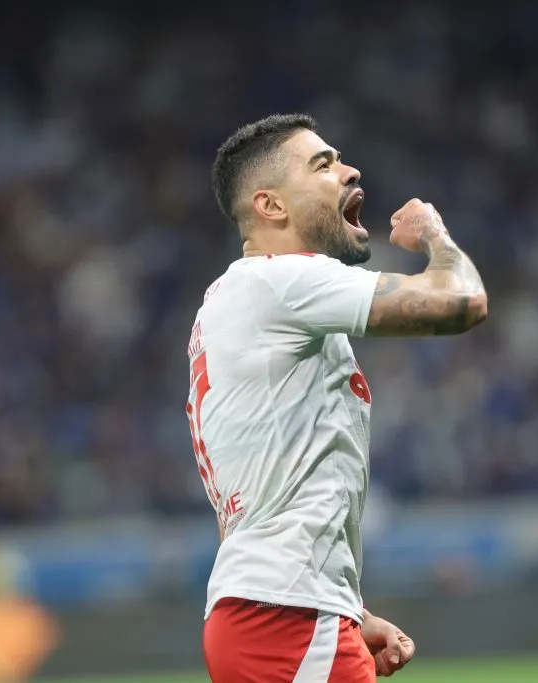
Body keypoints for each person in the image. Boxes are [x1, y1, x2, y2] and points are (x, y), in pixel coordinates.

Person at [189, 113, 487, 682]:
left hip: (273, 612)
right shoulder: (279, 282)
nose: (349, 170)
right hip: (287, 619)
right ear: (271, 207)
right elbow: (463, 301)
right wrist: (434, 235)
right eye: (322, 165)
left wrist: (351, 609)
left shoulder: (235, 306)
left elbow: (263, 499)